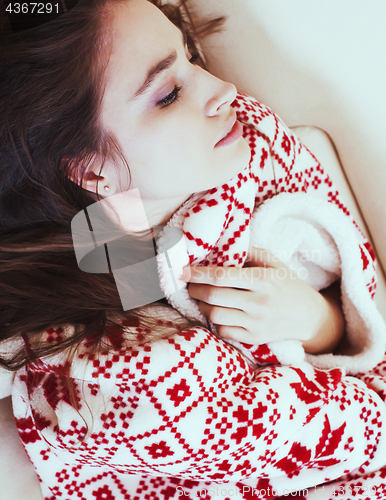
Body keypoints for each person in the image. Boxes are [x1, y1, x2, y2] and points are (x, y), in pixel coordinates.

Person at [1, 0, 386, 499]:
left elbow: (356, 286)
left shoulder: (249, 142)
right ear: (92, 171)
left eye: (190, 56)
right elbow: (364, 434)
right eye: (169, 94)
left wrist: (313, 320)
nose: (224, 89)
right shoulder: (113, 370)